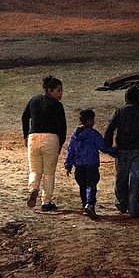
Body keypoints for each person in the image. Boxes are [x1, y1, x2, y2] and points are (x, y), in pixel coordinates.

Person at [104, 86, 139, 217]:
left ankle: (121, 204)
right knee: (136, 178)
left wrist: (109, 147)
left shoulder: (119, 112)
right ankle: (134, 207)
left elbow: (109, 130)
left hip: (122, 149)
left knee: (121, 177)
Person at [21, 75, 67, 212]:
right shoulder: (57, 105)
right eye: (58, 91)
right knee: (48, 173)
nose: (61, 93)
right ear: (50, 91)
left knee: (34, 169)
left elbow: (24, 117)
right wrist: (61, 142)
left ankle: (33, 188)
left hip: (33, 137)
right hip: (50, 139)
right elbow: (62, 126)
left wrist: (25, 135)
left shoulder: (34, 100)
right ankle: (46, 202)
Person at [64, 109, 114, 220]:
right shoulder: (93, 134)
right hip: (91, 165)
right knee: (91, 186)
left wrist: (68, 164)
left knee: (82, 186)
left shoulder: (75, 134)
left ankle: (84, 206)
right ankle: (90, 205)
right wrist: (115, 151)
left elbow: (70, 149)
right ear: (89, 120)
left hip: (79, 165)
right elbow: (103, 146)